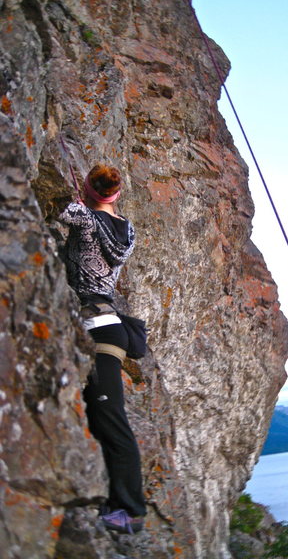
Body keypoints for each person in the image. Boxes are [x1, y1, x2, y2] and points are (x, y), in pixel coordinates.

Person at [59, 164, 146, 534]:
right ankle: (122, 504)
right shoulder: (128, 231)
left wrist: (80, 199)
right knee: (103, 414)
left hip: (98, 327)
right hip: (110, 322)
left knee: (111, 419)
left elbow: (60, 208)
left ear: (90, 190)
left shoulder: (83, 217)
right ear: (118, 193)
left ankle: (130, 511)